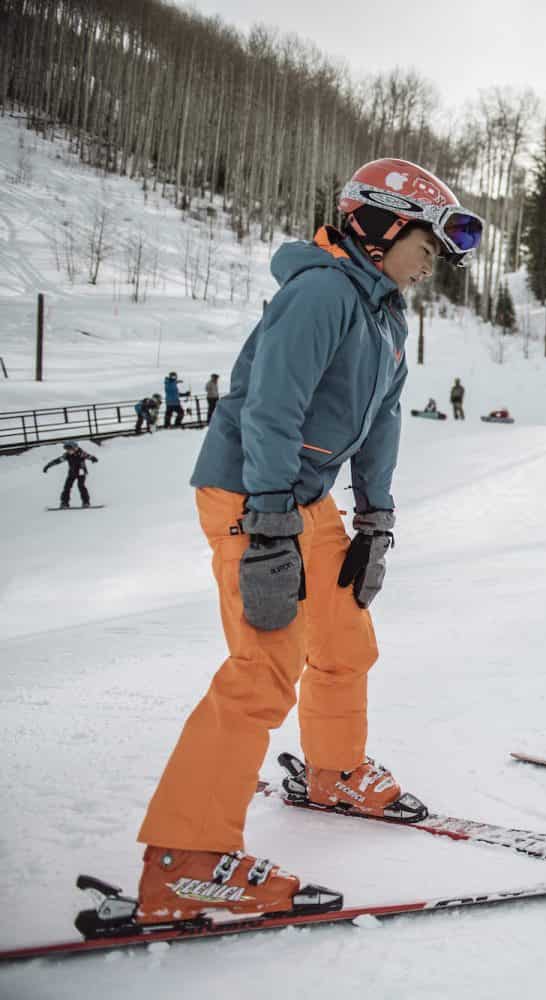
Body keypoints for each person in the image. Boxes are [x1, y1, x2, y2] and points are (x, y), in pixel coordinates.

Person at [133, 157, 484, 927]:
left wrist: (376, 518)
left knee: (347, 640)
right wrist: (266, 526)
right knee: (263, 665)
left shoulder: (384, 311)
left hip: (307, 498)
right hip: (252, 493)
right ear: (383, 224)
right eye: (426, 242)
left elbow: (382, 421)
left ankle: (332, 772)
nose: (434, 263)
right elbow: (267, 410)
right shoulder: (323, 292)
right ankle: (187, 859)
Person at [43, 440, 98, 508]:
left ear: (75, 448)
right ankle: (64, 503)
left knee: (81, 486)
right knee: (67, 487)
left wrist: (93, 458)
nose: (68, 451)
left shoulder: (81, 453)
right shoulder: (67, 455)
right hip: (72, 473)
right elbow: (58, 461)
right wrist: (48, 466)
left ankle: (86, 502)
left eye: (69, 449)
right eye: (67, 450)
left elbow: (88, 456)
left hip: (81, 472)